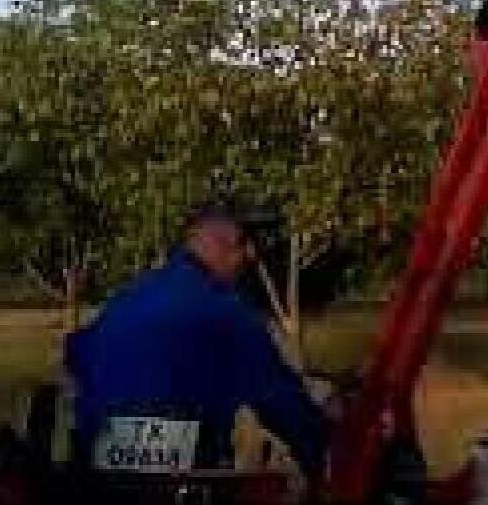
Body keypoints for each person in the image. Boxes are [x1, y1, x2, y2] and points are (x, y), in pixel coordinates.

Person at [66, 202, 328, 483]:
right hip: (179, 478)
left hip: (94, 470)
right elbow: (280, 401)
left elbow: (77, 352)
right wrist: (323, 455)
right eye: (242, 243)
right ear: (214, 244)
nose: (250, 255)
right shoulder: (226, 315)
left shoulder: (130, 297)